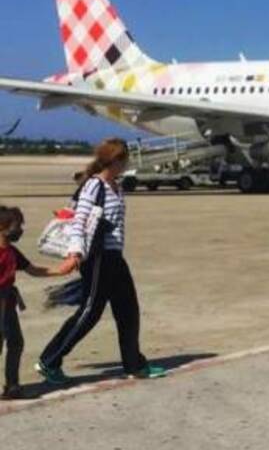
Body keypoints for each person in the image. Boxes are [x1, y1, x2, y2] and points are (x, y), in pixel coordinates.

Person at [37, 139, 165, 384]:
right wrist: (75, 252)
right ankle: (49, 360)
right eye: (125, 160)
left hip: (114, 257)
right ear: (116, 160)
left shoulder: (115, 186)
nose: (127, 164)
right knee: (89, 312)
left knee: (128, 310)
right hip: (97, 257)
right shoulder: (94, 186)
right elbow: (79, 219)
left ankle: (134, 364)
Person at [0, 207, 77, 399]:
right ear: (2, 227)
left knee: (16, 343)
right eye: (16, 226)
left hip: (7, 303)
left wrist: (61, 270)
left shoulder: (11, 251)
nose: (20, 230)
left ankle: (13, 386)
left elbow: (33, 270)